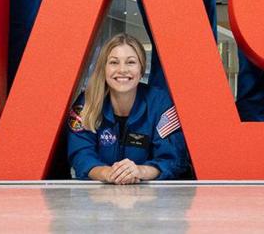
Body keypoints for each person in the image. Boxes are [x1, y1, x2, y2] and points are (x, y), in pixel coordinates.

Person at [67, 33, 190, 183]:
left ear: (141, 68)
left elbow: (173, 159)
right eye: (114, 62)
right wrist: (108, 173)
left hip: (150, 199)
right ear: (104, 68)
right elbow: (80, 154)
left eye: (130, 62)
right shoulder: (86, 102)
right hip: (98, 197)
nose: (122, 70)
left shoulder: (160, 103)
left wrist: (140, 171)